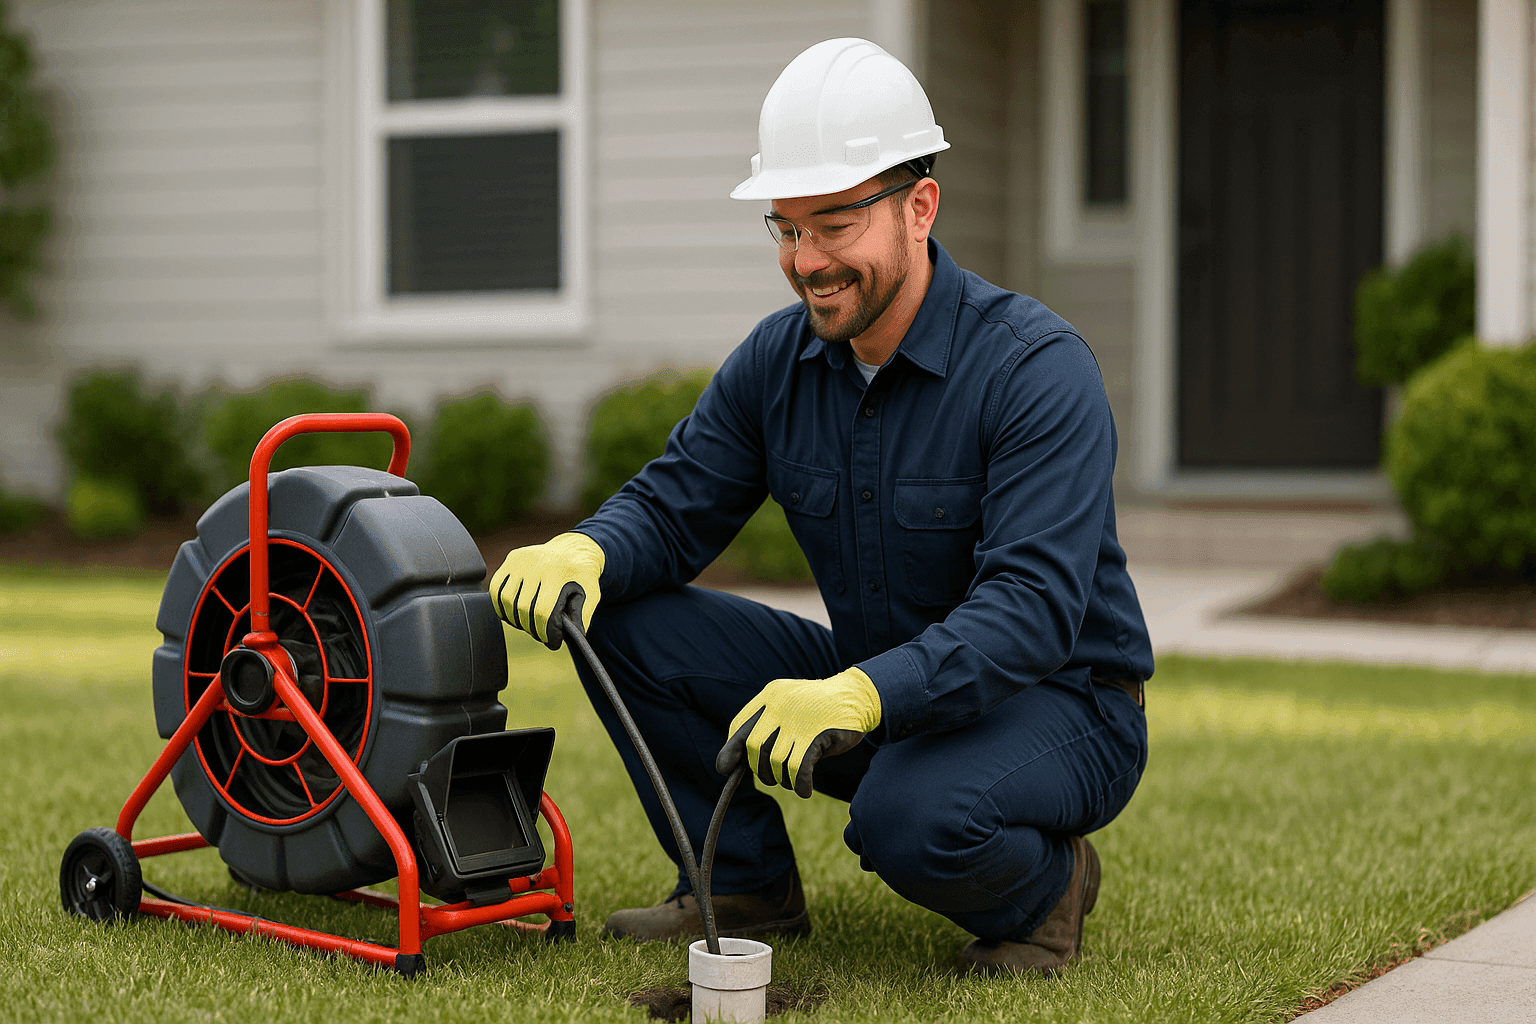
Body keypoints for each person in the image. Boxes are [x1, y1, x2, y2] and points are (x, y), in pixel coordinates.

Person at [490, 37, 1152, 977]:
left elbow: (1031, 615)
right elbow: (677, 508)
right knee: (623, 615)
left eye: (835, 223)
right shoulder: (779, 362)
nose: (808, 261)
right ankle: (744, 882)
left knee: (905, 815)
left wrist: (863, 695)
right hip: (878, 683)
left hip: (1062, 702)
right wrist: (588, 551)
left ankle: (1047, 892)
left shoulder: (1035, 370)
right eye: (786, 228)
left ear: (920, 206)